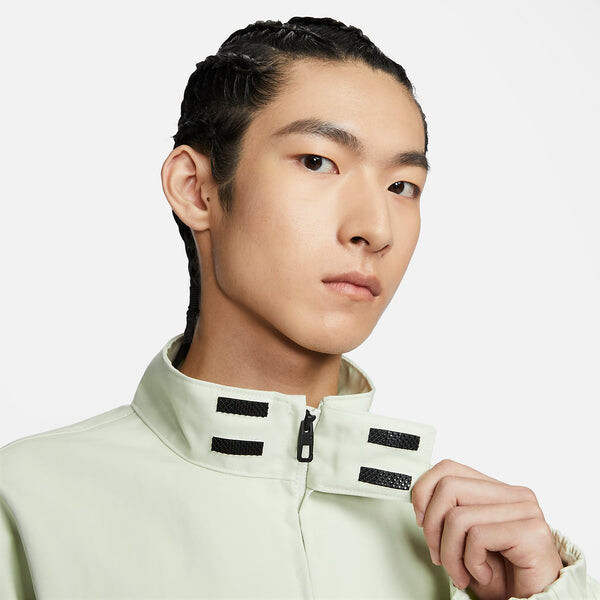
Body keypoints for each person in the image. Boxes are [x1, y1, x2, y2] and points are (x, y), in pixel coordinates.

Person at [1, 15, 598, 600]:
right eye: (318, 162)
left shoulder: (472, 555)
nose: (375, 229)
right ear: (196, 189)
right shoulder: (28, 506)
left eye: (402, 186)